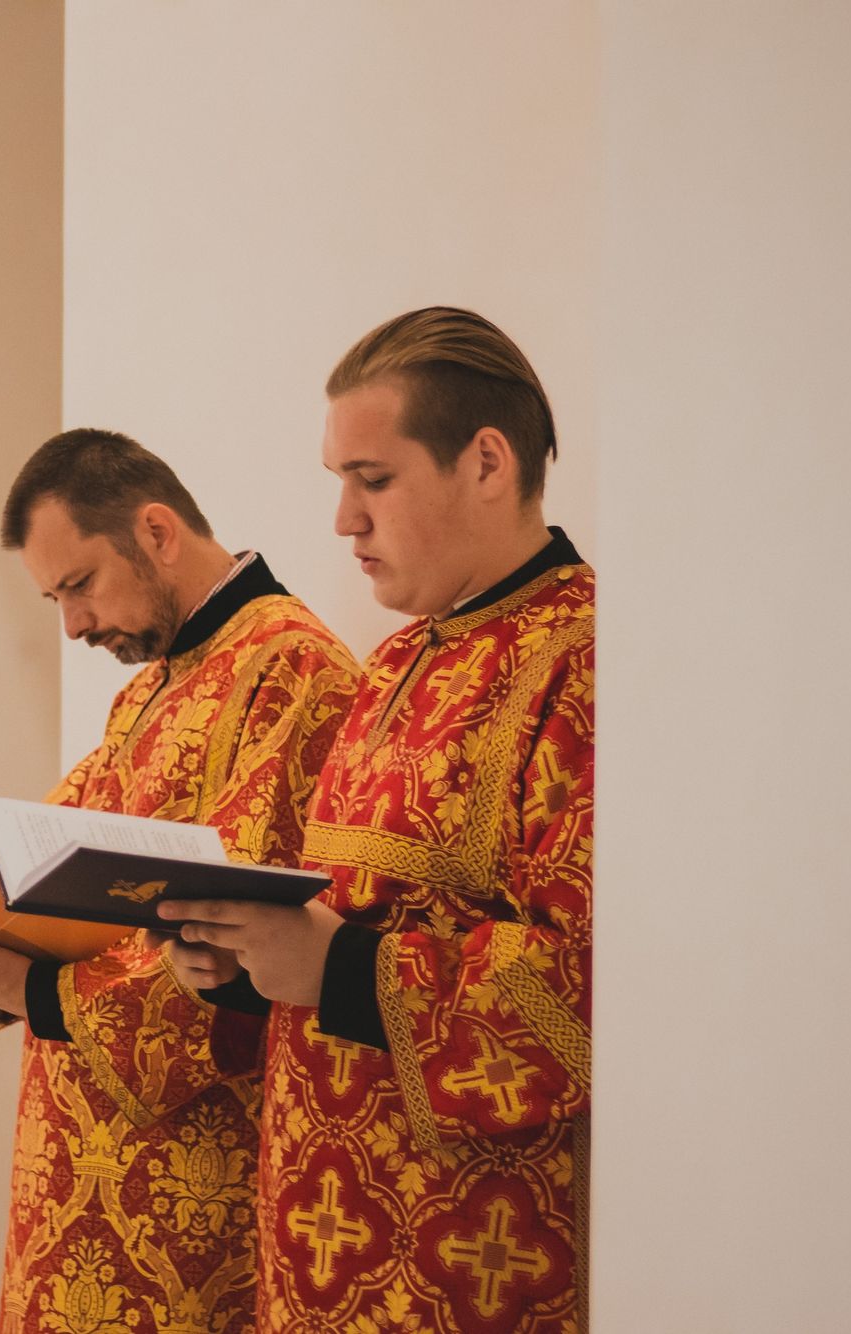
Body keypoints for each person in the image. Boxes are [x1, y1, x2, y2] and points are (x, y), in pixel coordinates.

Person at [164, 309, 595, 1333]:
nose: (342, 520)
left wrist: (340, 969)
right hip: (314, 1245)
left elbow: (583, 988)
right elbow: (348, 915)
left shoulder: (583, 660)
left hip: (461, 1262)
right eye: (338, 481)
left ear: (485, 462)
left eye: (373, 478)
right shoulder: (397, 660)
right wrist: (239, 964)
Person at [0, 428, 361, 1334]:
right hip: (82, 1168)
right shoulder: (149, 689)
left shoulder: (292, 672)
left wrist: (36, 990)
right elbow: (57, 873)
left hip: (182, 1193)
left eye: (80, 585)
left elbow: (237, 941)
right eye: (54, 598)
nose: (72, 625)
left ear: (156, 531)